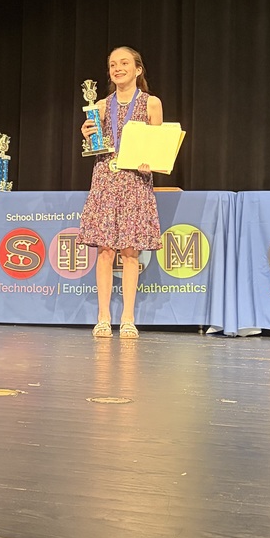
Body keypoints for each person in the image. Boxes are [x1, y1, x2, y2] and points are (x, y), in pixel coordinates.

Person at [78, 46, 163, 339]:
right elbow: (94, 144)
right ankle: (103, 317)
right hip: (106, 178)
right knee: (104, 251)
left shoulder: (151, 103)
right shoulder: (100, 106)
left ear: (138, 70)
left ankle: (128, 317)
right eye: (113, 64)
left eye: (124, 63)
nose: (118, 68)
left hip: (134, 182)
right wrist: (88, 133)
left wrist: (149, 160)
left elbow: (158, 145)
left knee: (130, 251)